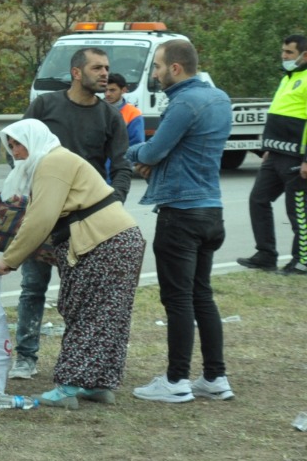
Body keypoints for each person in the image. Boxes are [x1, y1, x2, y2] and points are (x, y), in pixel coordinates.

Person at [0, 119, 144, 407]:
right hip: (118, 240)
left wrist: (8, 260)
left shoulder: (52, 163)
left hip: (102, 242)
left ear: (33, 140)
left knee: (83, 312)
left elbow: (41, 218)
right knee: (107, 316)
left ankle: (69, 388)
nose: (15, 152)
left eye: (18, 144)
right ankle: (97, 384)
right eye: (10, 146)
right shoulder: (55, 160)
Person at [10, 47, 131, 382]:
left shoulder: (110, 116)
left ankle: (74, 364)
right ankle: (26, 357)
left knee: (79, 297)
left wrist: (114, 201)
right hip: (43, 212)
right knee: (33, 287)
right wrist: (26, 185)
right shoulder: (46, 106)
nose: (105, 74)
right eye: (97, 68)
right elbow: (17, 147)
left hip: (85, 224)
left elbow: (122, 165)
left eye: (107, 68)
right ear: (77, 72)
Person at [125, 38, 235, 402]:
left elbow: (154, 150)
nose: (154, 74)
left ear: (175, 68)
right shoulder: (219, 98)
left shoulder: (184, 102)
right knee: (202, 295)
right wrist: (155, 160)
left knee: (178, 299)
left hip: (181, 214)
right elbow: (182, 150)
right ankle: (215, 378)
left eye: (157, 67)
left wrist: (135, 153)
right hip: (211, 210)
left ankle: (176, 381)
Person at [237, 33, 307, 276]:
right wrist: (268, 147)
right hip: (275, 153)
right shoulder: (288, 78)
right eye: (283, 51)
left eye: (289, 52)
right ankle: (266, 255)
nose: (284, 56)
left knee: (297, 209)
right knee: (258, 199)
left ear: (304, 55)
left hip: (297, 157)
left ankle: (302, 261)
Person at [105, 73, 146, 147]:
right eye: (105, 90)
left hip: (120, 157)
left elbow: (136, 145)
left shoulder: (133, 113)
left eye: (112, 90)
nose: (107, 94)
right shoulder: (96, 110)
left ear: (123, 90)